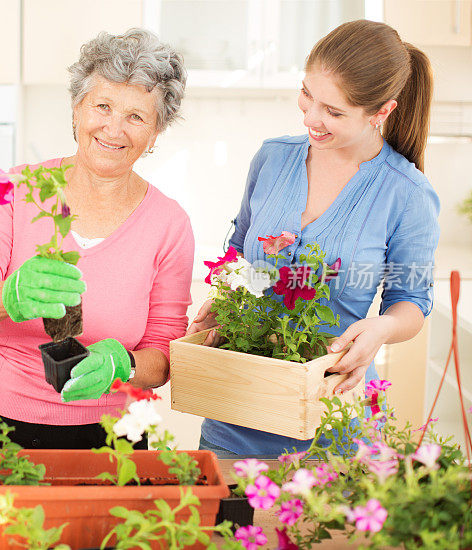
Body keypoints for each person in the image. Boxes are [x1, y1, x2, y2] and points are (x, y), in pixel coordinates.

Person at [188, 20, 440, 457]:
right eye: (307, 94)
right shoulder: (272, 157)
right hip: (232, 415)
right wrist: (225, 299)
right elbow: (239, 246)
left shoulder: (407, 194)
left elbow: (412, 301)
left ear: (381, 112)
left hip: (329, 428)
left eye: (334, 112)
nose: (310, 118)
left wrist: (381, 328)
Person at [0, 29, 193, 449]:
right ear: (77, 110)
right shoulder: (21, 189)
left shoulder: (169, 224)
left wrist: (125, 364)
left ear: (155, 134)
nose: (113, 128)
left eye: (136, 116)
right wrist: (11, 294)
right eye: (103, 106)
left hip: (113, 432)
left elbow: (164, 354)